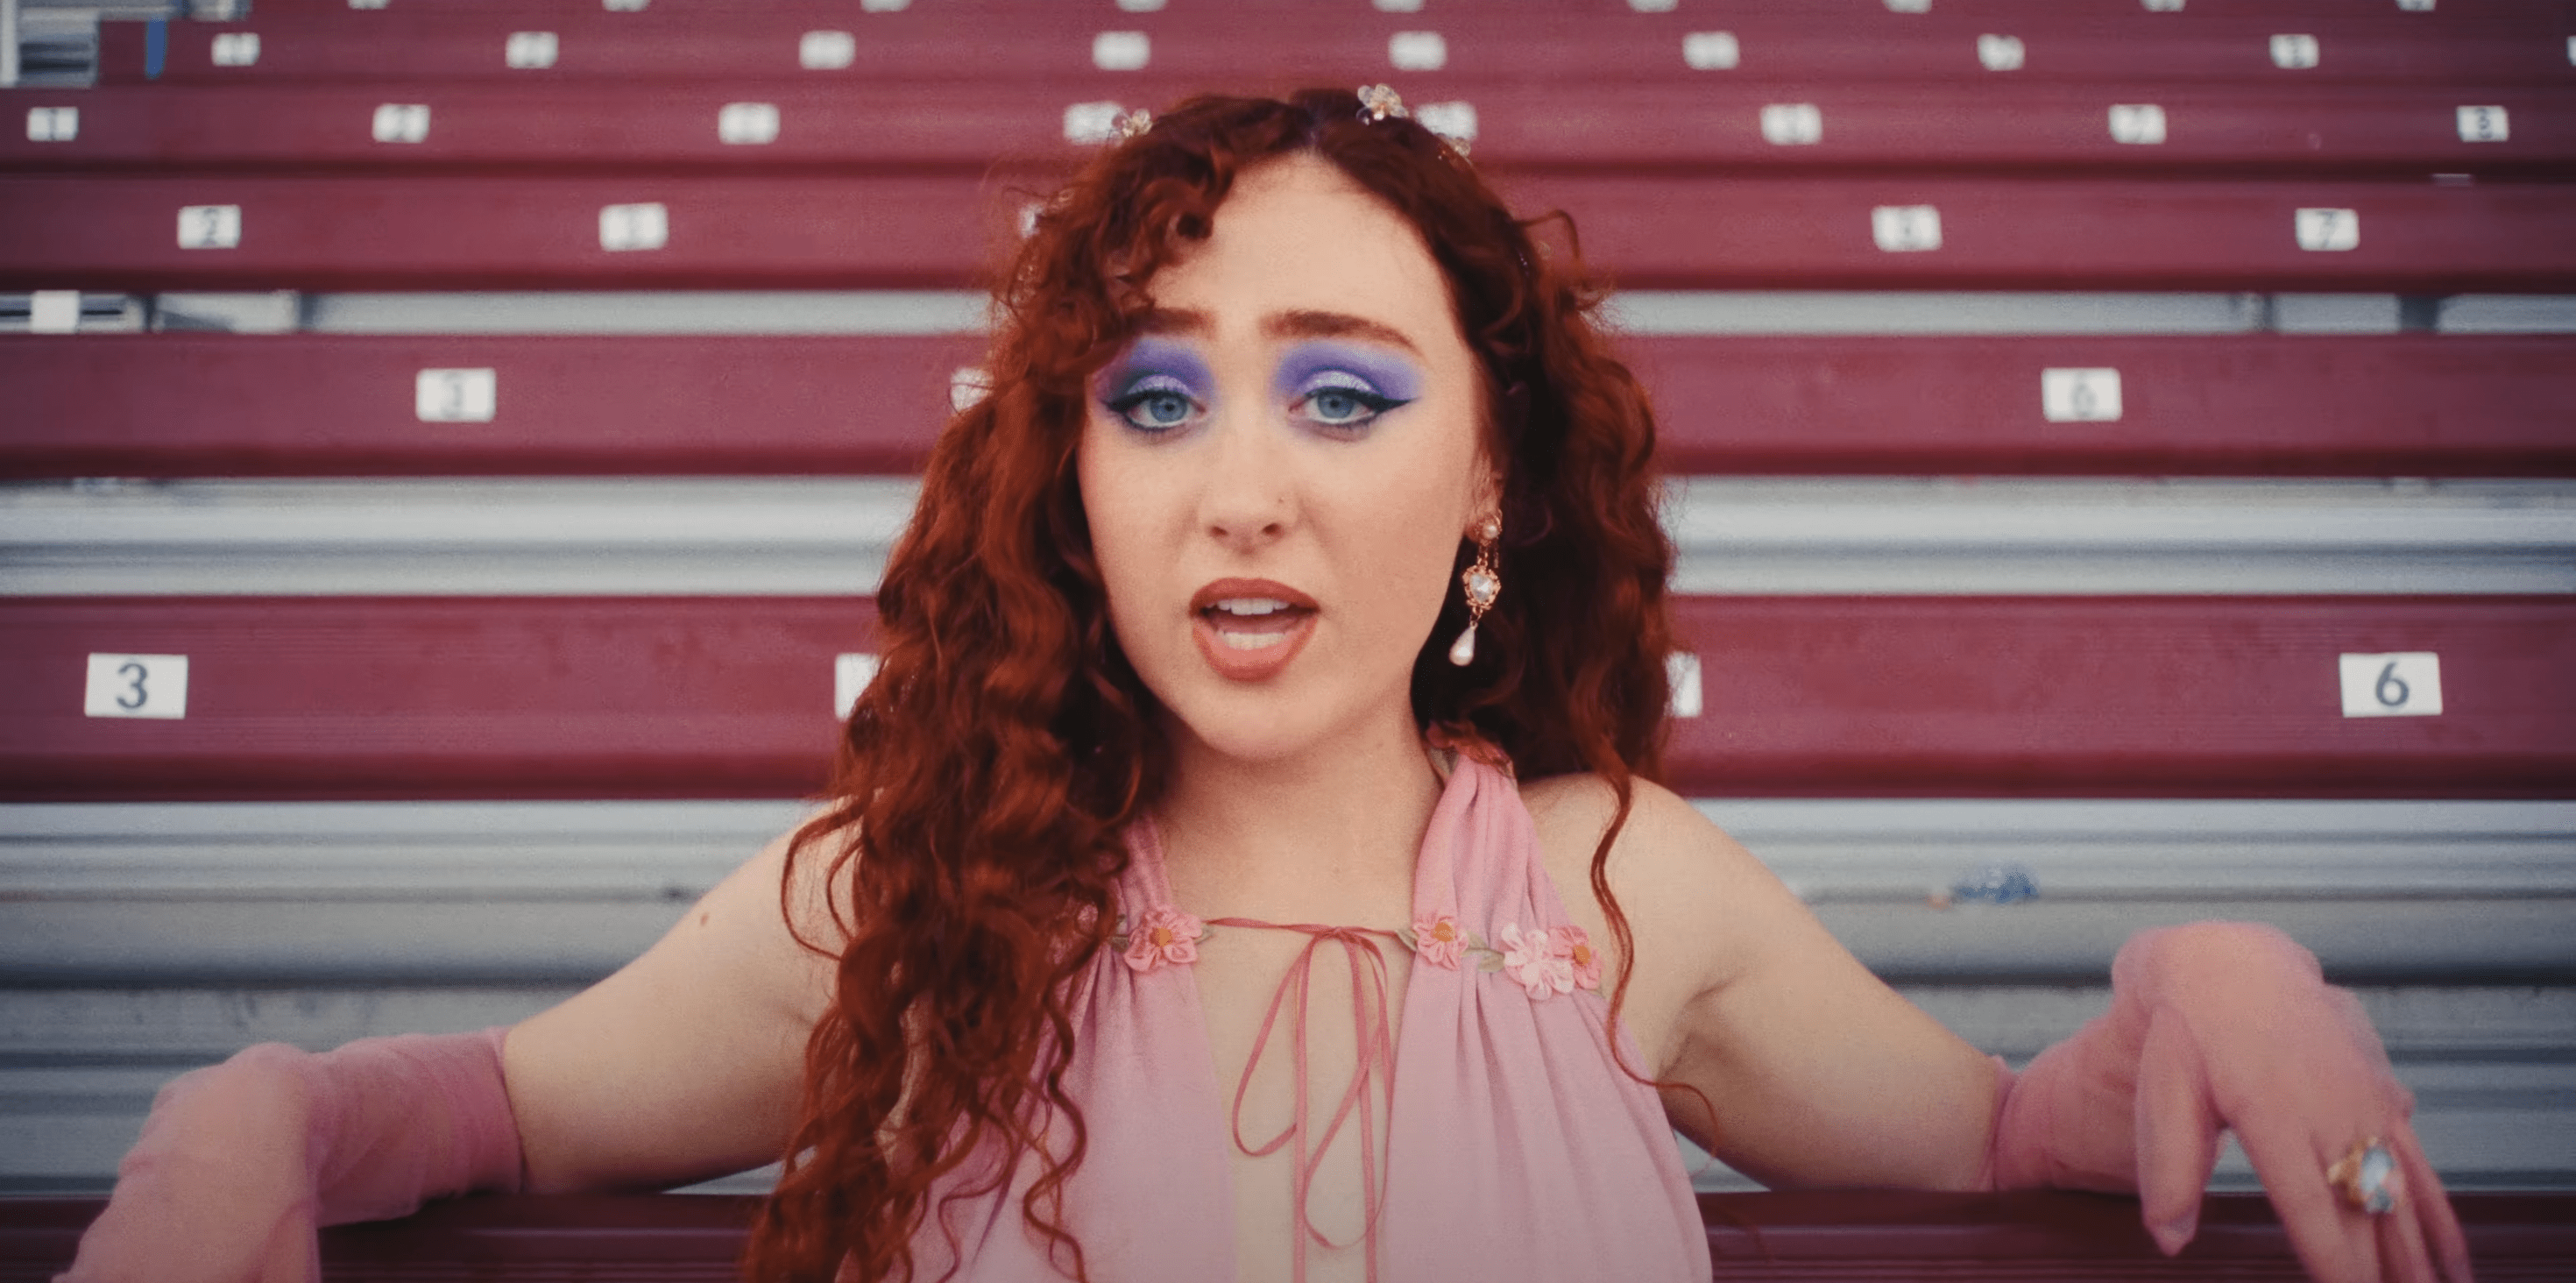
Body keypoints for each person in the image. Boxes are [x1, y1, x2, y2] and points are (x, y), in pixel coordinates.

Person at [60, 88, 2470, 1283]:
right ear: (1072, 478)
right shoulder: (917, 901)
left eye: (1340, 394)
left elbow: (2013, 1140)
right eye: (1154, 397)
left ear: (1490, 480)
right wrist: (256, 1119)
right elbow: (480, 1106)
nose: (1239, 490)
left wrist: (2208, 972)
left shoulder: (1614, 892)